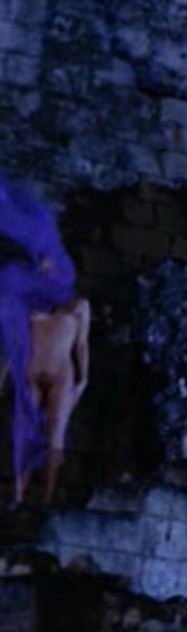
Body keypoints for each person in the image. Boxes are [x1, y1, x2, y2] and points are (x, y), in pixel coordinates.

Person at [0, 177, 78, 505]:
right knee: (28, 429)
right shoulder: (39, 311)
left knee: (51, 432)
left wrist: (82, 379)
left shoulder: (69, 310)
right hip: (41, 367)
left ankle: (41, 497)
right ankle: (21, 494)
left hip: (51, 369)